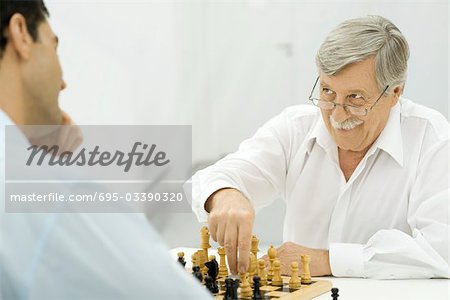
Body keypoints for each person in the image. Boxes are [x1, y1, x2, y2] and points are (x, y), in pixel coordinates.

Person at [189, 15, 449, 279]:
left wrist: (328, 261)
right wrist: (225, 194)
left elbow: (442, 250)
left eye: (355, 99)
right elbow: (213, 177)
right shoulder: (296, 126)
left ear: (395, 93)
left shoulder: (432, 139)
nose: (337, 116)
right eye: (327, 92)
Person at [0, 1, 212, 298]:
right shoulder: (41, 190)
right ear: (21, 34)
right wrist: (57, 172)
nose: (63, 82)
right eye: (54, 47)